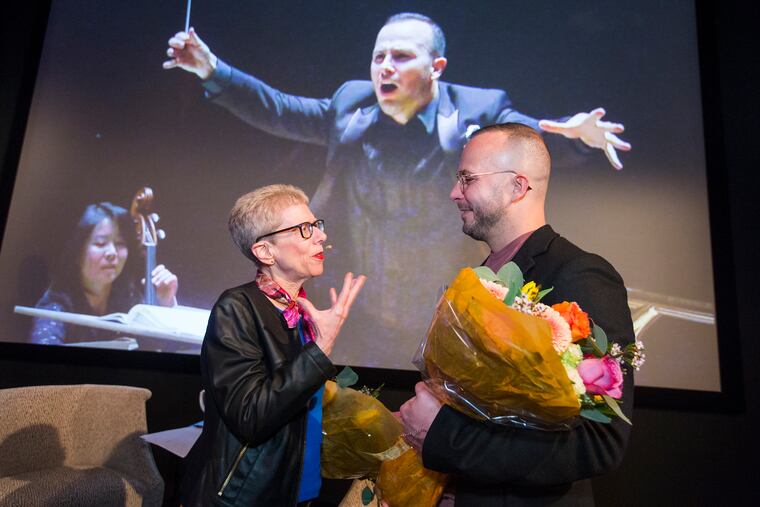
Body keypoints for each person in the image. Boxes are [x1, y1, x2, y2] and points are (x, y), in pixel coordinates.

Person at [162, 13, 631, 364]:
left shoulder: (477, 110)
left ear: (437, 67)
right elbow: (283, 110)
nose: (385, 67)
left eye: (401, 56)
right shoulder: (351, 104)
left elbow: (529, 143)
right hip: (362, 304)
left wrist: (577, 138)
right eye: (378, 56)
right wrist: (212, 69)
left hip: (440, 306)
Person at [399, 123, 635, 506]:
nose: (454, 192)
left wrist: (443, 436)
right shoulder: (477, 280)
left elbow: (598, 443)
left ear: (518, 187)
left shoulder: (580, 274)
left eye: (467, 179)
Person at [180, 184, 366, 506]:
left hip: (298, 491)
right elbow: (252, 416)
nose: (320, 236)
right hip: (244, 496)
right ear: (265, 252)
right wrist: (320, 348)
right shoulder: (237, 308)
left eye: (316, 225)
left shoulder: (301, 311)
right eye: (304, 229)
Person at [30, 202, 178, 345]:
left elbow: (159, 349)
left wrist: (164, 304)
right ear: (77, 252)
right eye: (101, 243)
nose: (112, 253)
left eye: (120, 244)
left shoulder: (130, 299)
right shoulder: (55, 306)